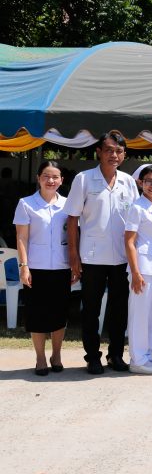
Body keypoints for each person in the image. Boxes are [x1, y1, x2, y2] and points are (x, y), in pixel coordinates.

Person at [64, 131, 139, 374]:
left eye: (118, 151)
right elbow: (72, 219)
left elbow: (136, 220)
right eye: (108, 150)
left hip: (121, 258)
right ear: (99, 152)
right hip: (92, 257)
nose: (113, 155)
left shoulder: (128, 181)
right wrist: (73, 256)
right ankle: (92, 357)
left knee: (120, 310)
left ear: (124, 154)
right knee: (91, 310)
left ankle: (115, 355)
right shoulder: (84, 179)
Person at [13, 161, 71, 376]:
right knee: (36, 315)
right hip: (35, 268)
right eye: (46, 176)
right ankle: (40, 358)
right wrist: (24, 266)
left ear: (61, 180)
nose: (51, 180)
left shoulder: (68, 205)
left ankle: (56, 355)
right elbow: (21, 237)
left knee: (59, 314)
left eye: (55, 177)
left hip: (61, 267)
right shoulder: (26, 203)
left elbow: (73, 237)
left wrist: (75, 264)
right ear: (38, 178)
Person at [125, 164, 152, 374]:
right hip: (142, 266)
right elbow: (130, 242)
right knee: (139, 314)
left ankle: (149, 354)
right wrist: (135, 272)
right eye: (148, 181)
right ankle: (137, 359)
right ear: (140, 183)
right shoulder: (136, 207)